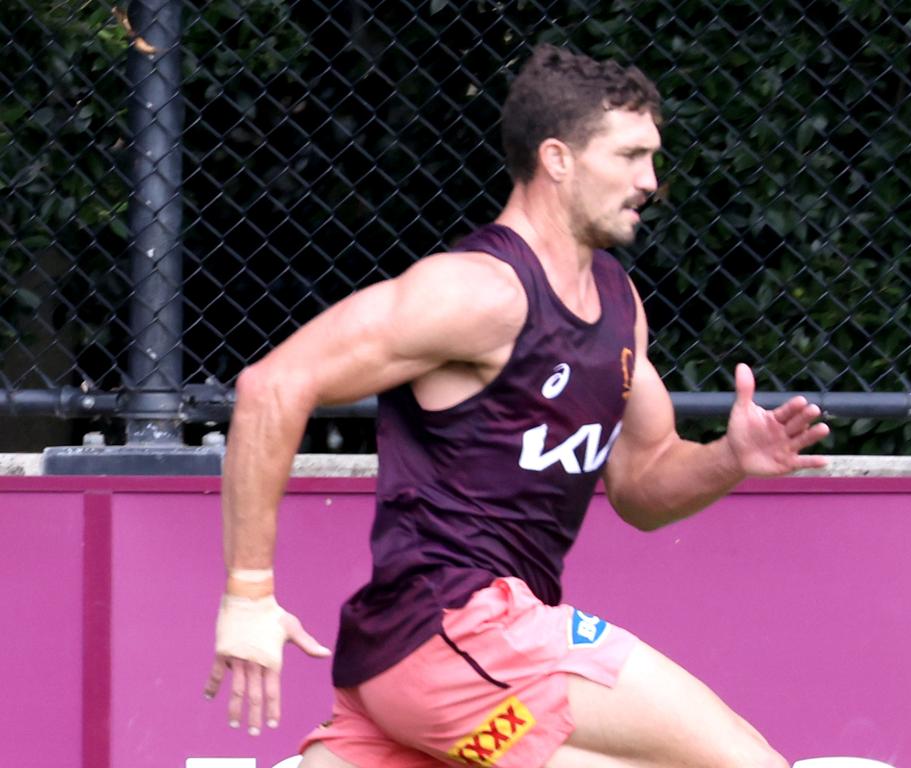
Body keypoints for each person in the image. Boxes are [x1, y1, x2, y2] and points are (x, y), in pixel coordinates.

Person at [204, 44, 829, 768]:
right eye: (630, 155)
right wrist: (247, 595)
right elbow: (273, 385)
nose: (650, 181)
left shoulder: (617, 303)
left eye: (653, 157)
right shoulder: (481, 292)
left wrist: (729, 459)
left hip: (428, 663)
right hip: (457, 630)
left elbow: (642, 485)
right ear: (558, 158)